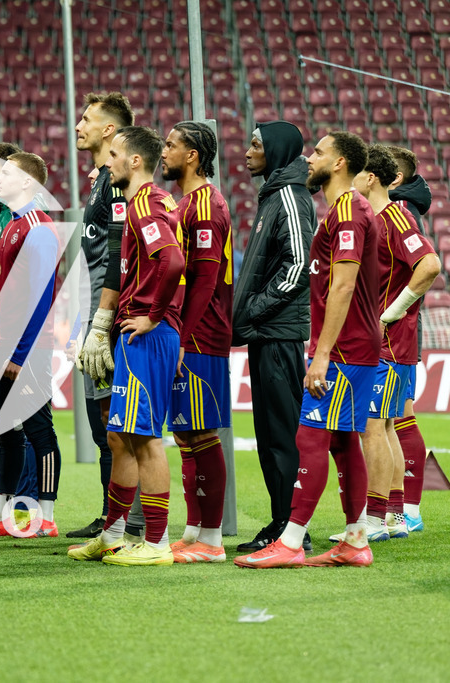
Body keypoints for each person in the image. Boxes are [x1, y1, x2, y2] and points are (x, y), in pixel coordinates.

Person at [235, 130, 379, 568]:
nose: (308, 158)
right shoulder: (339, 211)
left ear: (339, 163)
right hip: (351, 343)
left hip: (345, 347)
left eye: (318, 152)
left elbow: (344, 283)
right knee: (341, 442)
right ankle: (356, 540)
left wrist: (321, 353)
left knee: (309, 437)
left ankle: (292, 540)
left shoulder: (350, 211)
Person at [68, 126, 183, 567]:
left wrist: (153, 314)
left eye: (114, 154)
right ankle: (113, 534)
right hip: (136, 332)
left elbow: (171, 259)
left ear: (135, 161)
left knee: (145, 439)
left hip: (146, 334)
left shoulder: (147, 205)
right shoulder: (138, 205)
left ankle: (157, 543)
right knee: (120, 437)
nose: (107, 161)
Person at [327, 144, 439, 544]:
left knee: (374, 427)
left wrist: (391, 313)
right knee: (386, 426)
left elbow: (429, 265)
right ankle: (390, 517)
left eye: (356, 175)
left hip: (390, 342)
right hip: (386, 342)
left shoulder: (396, 217)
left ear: (369, 178)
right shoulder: (380, 219)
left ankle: (375, 520)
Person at [231, 121, 316, 553]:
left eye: (256, 144)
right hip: (266, 333)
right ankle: (281, 521)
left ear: (278, 151)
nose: (247, 151)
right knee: (268, 434)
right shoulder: (272, 195)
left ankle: (291, 528)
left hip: (280, 334)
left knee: (282, 434)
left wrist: (254, 309)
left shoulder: (289, 197)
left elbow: (299, 265)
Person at [160, 122, 233, 563]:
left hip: (201, 335)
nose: (163, 152)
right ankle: (192, 531)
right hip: (188, 333)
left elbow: (205, 281)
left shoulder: (206, 205)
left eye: (170, 145)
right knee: (186, 433)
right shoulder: (186, 202)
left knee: (203, 433)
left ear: (192, 155)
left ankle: (213, 539)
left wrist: (183, 337)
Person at [67, 91, 134, 539]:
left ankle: (127, 518)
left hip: (106, 317)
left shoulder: (115, 183)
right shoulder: (100, 180)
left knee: (115, 423)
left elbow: (117, 251)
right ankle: (112, 515)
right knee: (100, 425)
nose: (78, 126)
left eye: (87, 119)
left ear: (109, 129)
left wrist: (102, 320)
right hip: (93, 313)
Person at [0, 151, 63, 538]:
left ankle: (47, 516)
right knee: (6, 430)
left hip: (28, 349)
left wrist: (20, 353)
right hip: (3, 344)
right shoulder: (13, 224)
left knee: (39, 429)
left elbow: (41, 296)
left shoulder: (39, 226)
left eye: (6, 172)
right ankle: (1, 510)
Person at [387, 145, 433, 531]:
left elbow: (424, 267)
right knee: (393, 419)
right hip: (397, 332)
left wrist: (397, 308)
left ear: (393, 178)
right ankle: (399, 509)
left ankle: (407, 510)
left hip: (398, 334)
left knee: (398, 418)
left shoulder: (403, 213)